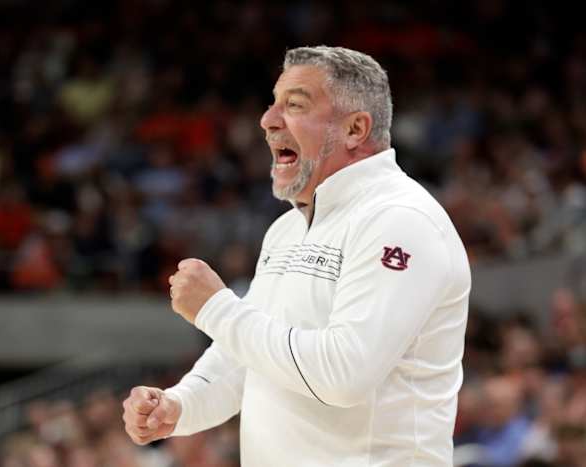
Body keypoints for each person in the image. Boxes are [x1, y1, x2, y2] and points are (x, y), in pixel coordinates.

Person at [123, 46, 471, 466]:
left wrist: (216, 308)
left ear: (355, 129)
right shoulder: (287, 228)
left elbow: (344, 375)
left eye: (295, 105)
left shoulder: (400, 219)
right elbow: (246, 355)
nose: (268, 120)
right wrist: (181, 405)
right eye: (273, 103)